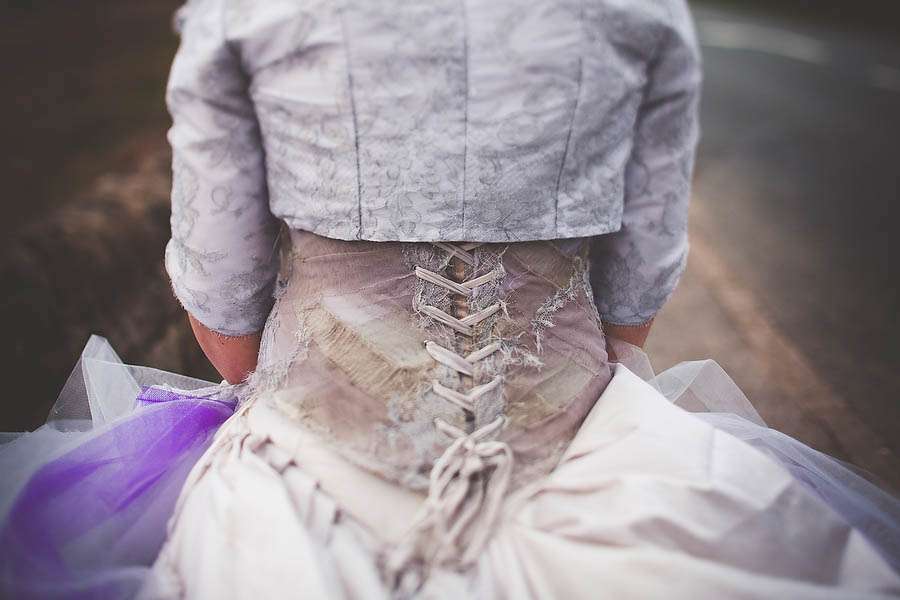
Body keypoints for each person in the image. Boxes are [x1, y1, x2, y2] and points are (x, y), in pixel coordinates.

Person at [1, 0, 898, 598]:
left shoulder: (250, 12)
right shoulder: (640, 11)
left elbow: (224, 316)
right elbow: (634, 298)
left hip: (309, 484)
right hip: (584, 458)